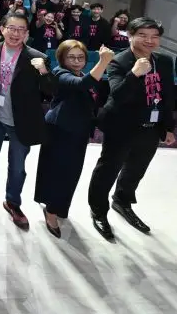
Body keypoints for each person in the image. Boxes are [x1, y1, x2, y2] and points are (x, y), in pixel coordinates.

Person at [88, 17, 176, 240]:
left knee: (136, 169)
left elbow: (168, 96)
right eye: (143, 35)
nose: (149, 40)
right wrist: (135, 73)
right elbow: (117, 96)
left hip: (151, 126)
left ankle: (122, 201)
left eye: (154, 36)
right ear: (130, 36)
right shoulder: (119, 62)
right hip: (122, 126)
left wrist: (168, 127)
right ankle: (98, 210)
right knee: (108, 169)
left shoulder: (164, 61)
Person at [0, 11, 56, 230]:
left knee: (18, 166)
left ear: (27, 33)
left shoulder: (37, 57)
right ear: (2, 29)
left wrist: (43, 71)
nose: (16, 33)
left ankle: (12, 202)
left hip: (21, 121)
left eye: (21, 30)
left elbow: (50, 91)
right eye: (11, 28)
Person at [34, 42, 113, 238]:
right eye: (71, 57)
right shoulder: (60, 73)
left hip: (78, 130)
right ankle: (51, 211)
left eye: (80, 57)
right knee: (58, 172)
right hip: (60, 129)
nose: (76, 61)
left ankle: (59, 206)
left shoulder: (81, 73)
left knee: (72, 173)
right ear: (62, 58)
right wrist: (103, 62)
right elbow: (82, 84)